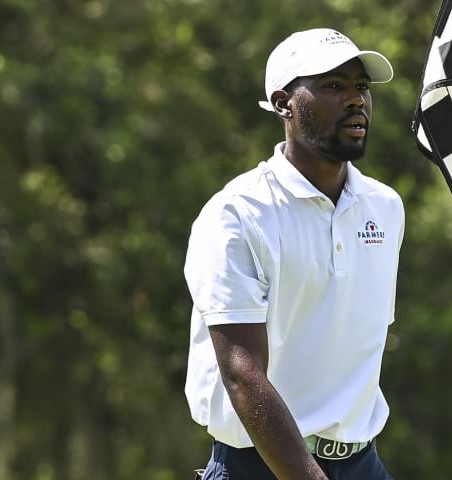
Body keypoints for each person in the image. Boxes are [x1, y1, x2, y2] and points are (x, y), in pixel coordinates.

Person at [184, 28, 404, 480]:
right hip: (259, 466)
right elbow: (241, 371)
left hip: (362, 464)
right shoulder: (238, 213)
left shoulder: (385, 208)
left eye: (361, 87)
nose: (356, 100)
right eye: (333, 86)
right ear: (284, 103)